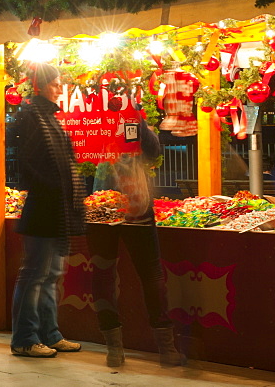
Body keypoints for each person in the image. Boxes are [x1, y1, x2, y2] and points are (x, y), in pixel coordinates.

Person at [87, 118, 183, 367]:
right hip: (130, 205)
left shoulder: (90, 114)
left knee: (104, 273)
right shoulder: (130, 117)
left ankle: (114, 349)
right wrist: (139, 121)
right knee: (149, 274)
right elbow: (153, 152)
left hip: (103, 204)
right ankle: (166, 349)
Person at [8, 63, 85, 358]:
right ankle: (24, 338)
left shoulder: (50, 117)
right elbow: (27, 164)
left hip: (57, 208)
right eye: (55, 83)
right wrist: (52, 186)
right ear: (40, 85)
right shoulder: (30, 116)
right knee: (34, 274)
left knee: (51, 273)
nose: (59, 88)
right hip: (42, 208)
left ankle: (50, 334)